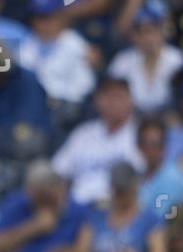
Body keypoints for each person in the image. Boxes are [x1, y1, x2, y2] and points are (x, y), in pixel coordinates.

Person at [51, 77, 145, 205]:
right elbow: (58, 171)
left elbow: (142, 176)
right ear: (98, 101)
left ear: (131, 101)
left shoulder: (140, 134)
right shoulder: (83, 133)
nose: (113, 102)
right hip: (78, 207)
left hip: (116, 208)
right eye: (108, 97)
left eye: (118, 97)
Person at [0, 160, 94, 252]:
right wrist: (33, 227)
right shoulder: (17, 204)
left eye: (49, 197)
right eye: (40, 198)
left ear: (61, 189)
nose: (45, 203)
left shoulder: (77, 210)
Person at [107, 1, 183, 115]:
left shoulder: (177, 59)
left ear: (161, 30)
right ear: (133, 35)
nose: (146, 38)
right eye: (140, 32)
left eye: (150, 30)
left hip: (169, 120)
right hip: (131, 121)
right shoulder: (122, 62)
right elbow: (113, 98)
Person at [16, 0, 97, 106]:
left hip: (67, 106)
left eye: (47, 17)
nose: (41, 23)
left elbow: (84, 86)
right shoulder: (26, 44)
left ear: (59, 16)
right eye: (38, 17)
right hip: (33, 105)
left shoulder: (76, 44)